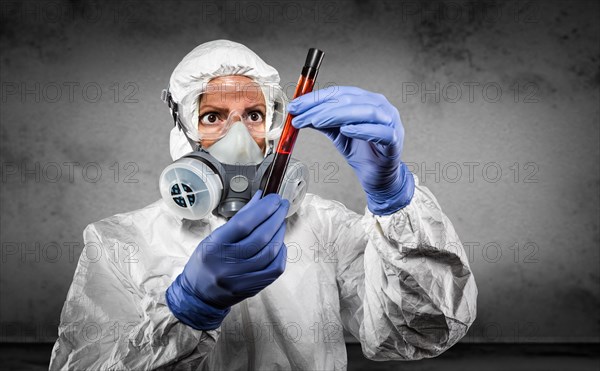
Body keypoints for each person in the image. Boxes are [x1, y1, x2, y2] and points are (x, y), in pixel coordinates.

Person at [49, 40, 477, 370]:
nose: (239, 138)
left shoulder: (324, 226)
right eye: (213, 117)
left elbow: (422, 333)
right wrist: (186, 309)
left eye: (253, 115)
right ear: (181, 127)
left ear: (274, 124)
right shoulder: (119, 242)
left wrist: (392, 197)